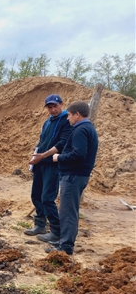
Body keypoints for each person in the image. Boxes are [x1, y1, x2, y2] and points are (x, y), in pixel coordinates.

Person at [45, 101, 98, 255]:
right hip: (77, 175)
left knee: (67, 212)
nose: (67, 118)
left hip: (74, 176)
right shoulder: (87, 128)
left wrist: (59, 157)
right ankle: (64, 241)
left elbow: (78, 154)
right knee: (69, 211)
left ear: (77, 114)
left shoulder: (81, 130)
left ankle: (66, 247)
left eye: (69, 115)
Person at [25, 94, 73, 242]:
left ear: (61, 104)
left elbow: (61, 144)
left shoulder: (66, 121)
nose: (53, 110)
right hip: (41, 163)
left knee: (47, 198)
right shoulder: (47, 122)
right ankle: (40, 225)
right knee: (36, 195)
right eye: (50, 107)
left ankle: (56, 230)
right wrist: (35, 156)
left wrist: (43, 155)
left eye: (55, 106)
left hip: (53, 164)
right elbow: (42, 141)